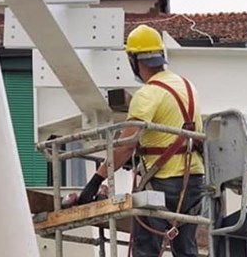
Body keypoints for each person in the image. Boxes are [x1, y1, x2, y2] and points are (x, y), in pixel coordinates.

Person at [78, 24, 205, 257]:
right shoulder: (188, 87)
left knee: (146, 249)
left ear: (134, 61)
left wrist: (96, 181)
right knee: (186, 250)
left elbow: (125, 146)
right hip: (194, 180)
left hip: (164, 182)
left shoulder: (148, 93)